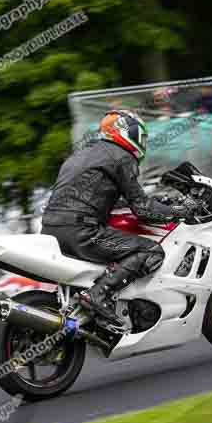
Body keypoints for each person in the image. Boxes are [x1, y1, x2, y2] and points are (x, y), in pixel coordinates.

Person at [41, 110, 201, 326]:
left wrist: (161, 203)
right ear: (125, 132)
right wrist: (181, 210)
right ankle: (100, 294)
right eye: (139, 135)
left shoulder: (82, 153)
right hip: (82, 232)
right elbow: (143, 210)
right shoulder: (122, 157)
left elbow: (106, 197)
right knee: (149, 250)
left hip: (52, 228)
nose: (142, 142)